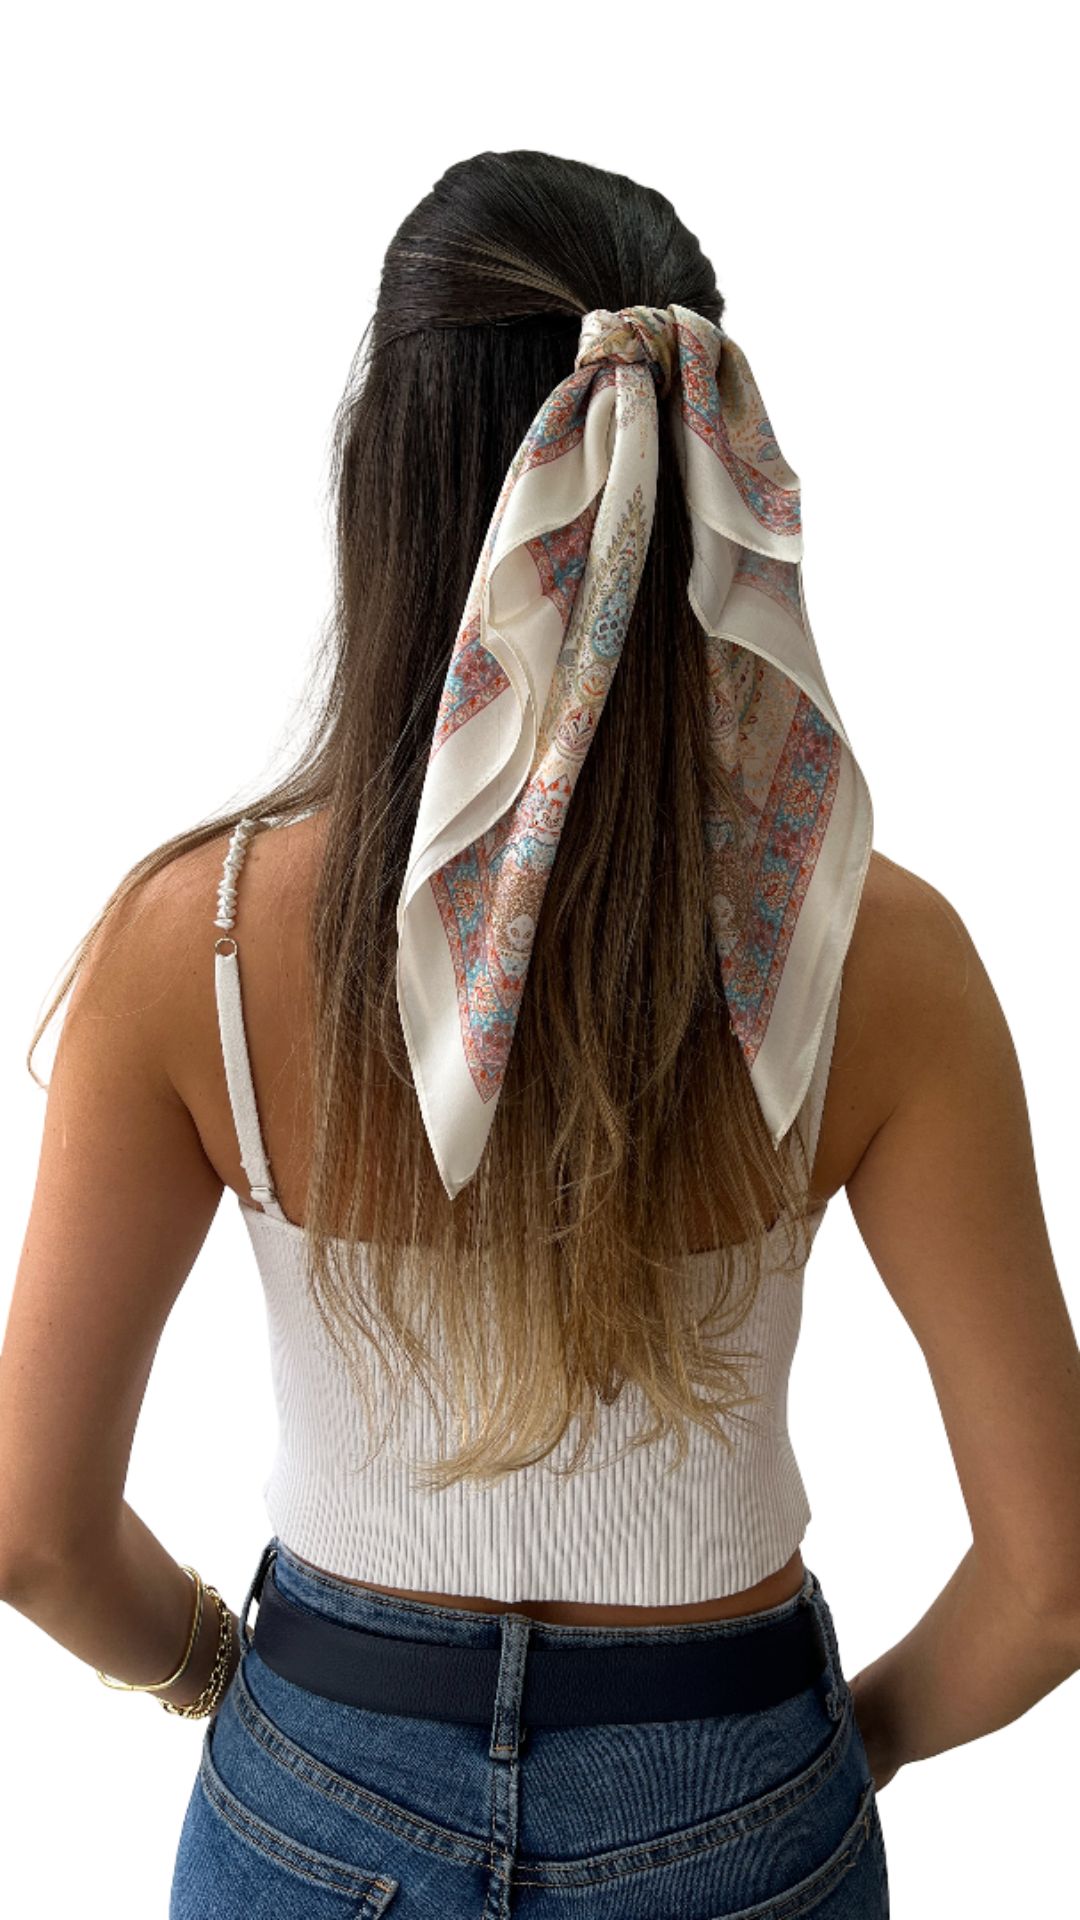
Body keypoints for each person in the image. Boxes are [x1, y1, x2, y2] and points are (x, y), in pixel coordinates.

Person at [2, 149, 1078, 1919]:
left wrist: (214, 1674)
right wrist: (824, 1756)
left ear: (383, 485)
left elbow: (33, 1531)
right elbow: (1052, 1579)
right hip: (737, 1775)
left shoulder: (192, 948)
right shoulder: (877, 956)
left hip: (322, 1779)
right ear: (713, 475)